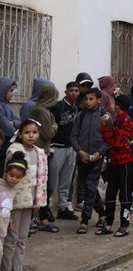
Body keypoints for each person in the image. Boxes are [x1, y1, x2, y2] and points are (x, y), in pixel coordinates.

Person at [2, 120, 48, 271]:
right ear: (20, 134)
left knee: (22, 239)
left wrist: (38, 200)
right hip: (13, 203)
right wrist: (6, 204)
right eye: (27, 132)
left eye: (34, 132)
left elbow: (40, 179)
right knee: (11, 239)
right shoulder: (14, 151)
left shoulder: (39, 153)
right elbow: (8, 178)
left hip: (30, 202)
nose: (31, 135)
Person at [70, 87, 108, 234]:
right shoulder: (80, 116)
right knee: (87, 187)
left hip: (97, 158)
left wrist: (100, 153)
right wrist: (79, 151)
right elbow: (73, 136)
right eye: (86, 99)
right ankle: (102, 212)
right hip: (82, 157)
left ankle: (85, 220)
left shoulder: (105, 116)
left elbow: (109, 139)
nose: (87, 101)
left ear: (98, 100)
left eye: (91, 99)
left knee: (91, 186)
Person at [98, 95, 133, 237]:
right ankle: (108, 224)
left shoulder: (126, 121)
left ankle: (124, 225)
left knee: (125, 196)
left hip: (125, 162)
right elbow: (109, 139)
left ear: (118, 106)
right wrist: (105, 127)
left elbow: (117, 142)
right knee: (110, 194)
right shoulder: (117, 121)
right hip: (115, 162)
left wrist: (107, 131)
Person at [28, 84, 60, 230]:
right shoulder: (40, 111)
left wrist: (53, 124)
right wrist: (54, 126)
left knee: (44, 186)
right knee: (39, 186)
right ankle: (41, 218)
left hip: (43, 153)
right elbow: (49, 132)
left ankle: (42, 217)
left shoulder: (45, 110)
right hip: (38, 154)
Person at [50, 81, 80, 220]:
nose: (74, 93)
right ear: (66, 91)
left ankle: (63, 207)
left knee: (67, 180)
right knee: (51, 179)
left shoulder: (77, 108)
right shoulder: (57, 107)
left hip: (71, 148)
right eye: (71, 90)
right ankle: (47, 207)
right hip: (57, 147)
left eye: (76, 90)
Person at [0, 152, 26, 250]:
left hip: (2, 228)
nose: (14, 179)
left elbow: (7, 207)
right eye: (11, 175)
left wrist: (9, 220)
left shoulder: (14, 190)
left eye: (18, 177)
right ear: (6, 172)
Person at [0, 78, 20, 157]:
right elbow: (9, 130)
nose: (13, 94)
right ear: (3, 92)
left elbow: (19, 121)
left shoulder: (5, 106)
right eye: (11, 91)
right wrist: (13, 125)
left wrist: (13, 123)